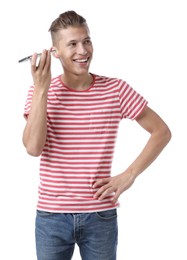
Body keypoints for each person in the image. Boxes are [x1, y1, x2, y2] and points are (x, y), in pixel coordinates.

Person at [22, 10, 171, 260]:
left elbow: (161, 132)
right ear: (55, 52)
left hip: (100, 215)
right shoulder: (40, 92)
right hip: (51, 217)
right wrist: (41, 89)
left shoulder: (115, 90)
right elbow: (33, 148)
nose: (83, 51)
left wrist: (129, 175)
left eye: (87, 41)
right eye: (72, 44)